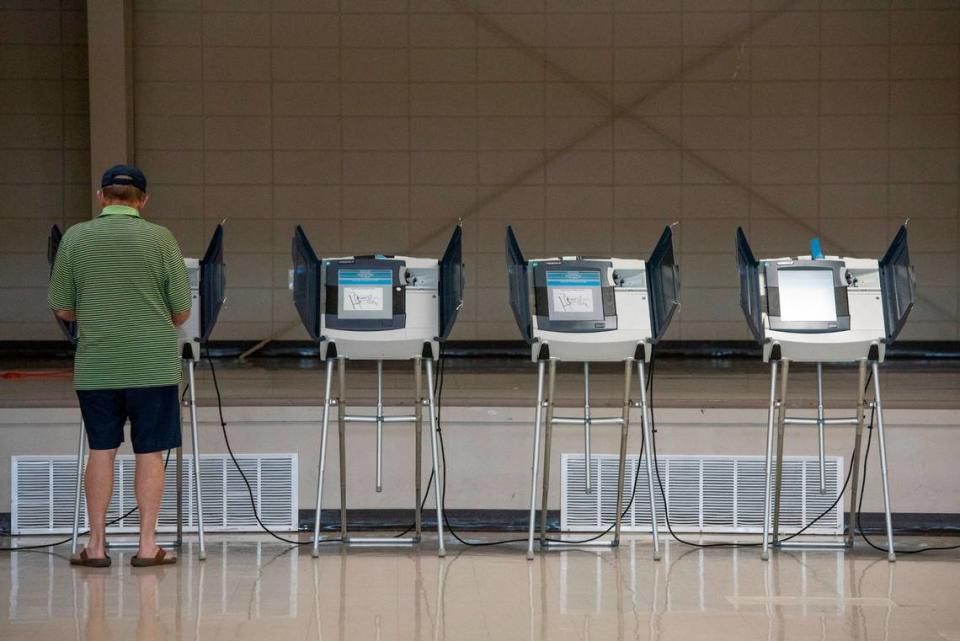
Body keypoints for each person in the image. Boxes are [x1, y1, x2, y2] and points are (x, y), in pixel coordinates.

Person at [48, 164, 191, 567]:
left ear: (101, 196)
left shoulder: (76, 238)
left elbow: (61, 306)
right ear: (143, 201)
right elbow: (181, 311)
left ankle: (96, 546)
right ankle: (147, 546)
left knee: (101, 450)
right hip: (152, 366)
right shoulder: (161, 239)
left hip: (98, 365)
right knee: (149, 452)